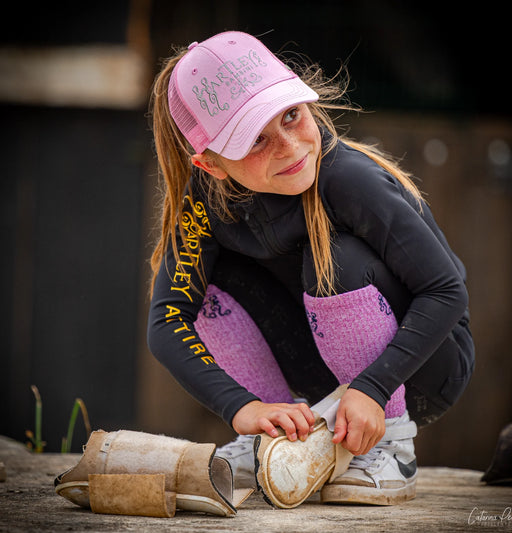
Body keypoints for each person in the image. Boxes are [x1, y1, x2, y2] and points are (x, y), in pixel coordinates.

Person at [146, 30, 475, 505]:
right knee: (210, 286)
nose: (289, 145)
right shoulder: (204, 202)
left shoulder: (348, 179)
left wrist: (374, 386)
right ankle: (276, 436)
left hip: (422, 368)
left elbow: (446, 291)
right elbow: (167, 320)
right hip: (323, 369)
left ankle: (392, 448)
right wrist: (243, 407)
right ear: (211, 165)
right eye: (255, 139)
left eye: (291, 116)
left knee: (334, 261)